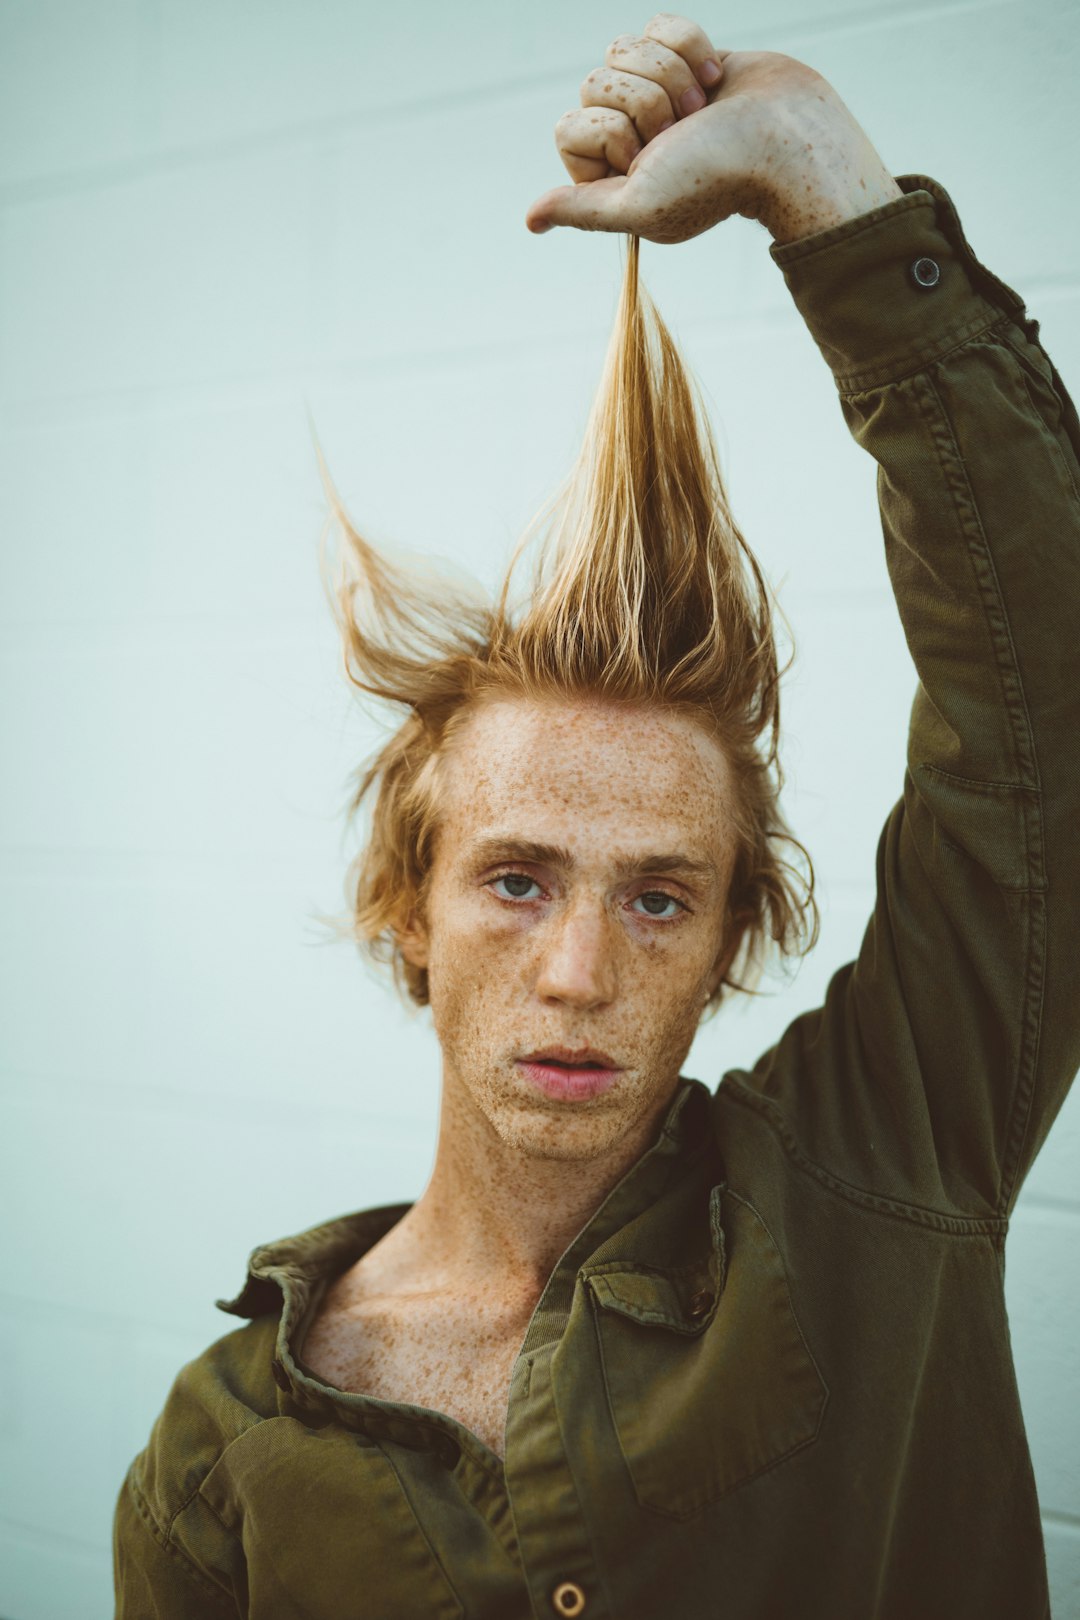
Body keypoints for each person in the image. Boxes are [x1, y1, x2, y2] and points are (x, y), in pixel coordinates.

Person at [112, 18, 1080, 1619]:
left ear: (732, 941)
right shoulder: (228, 1454)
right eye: (514, 878)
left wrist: (824, 184)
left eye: (657, 898)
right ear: (402, 905)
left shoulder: (871, 1178)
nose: (575, 973)